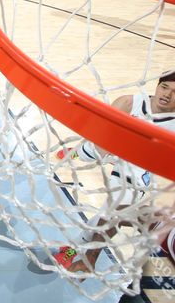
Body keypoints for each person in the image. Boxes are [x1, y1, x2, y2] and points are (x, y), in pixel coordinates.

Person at [54, 71, 175, 272]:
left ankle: (75, 247)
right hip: (111, 145)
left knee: (116, 205)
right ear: (157, 86)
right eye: (164, 87)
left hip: (138, 164)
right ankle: (76, 153)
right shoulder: (129, 103)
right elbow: (99, 131)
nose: (167, 95)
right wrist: (105, 146)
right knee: (90, 152)